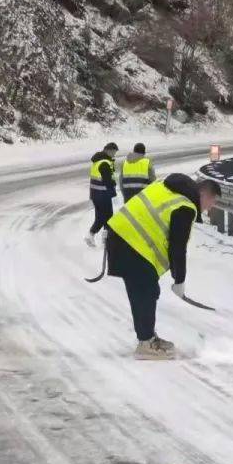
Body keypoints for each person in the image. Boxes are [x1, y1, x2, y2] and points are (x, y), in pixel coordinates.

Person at [104, 175, 221, 359]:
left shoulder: (168, 188)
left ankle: (147, 338)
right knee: (146, 290)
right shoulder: (185, 206)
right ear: (203, 194)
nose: (210, 208)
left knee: (142, 290)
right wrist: (179, 279)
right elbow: (178, 246)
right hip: (132, 243)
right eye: (212, 202)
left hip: (120, 235)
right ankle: (146, 344)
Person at [85, 142, 120, 247]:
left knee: (100, 217)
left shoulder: (97, 161)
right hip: (103, 194)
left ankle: (91, 235)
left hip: (95, 194)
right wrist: (113, 190)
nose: (114, 154)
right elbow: (107, 181)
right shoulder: (104, 163)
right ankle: (106, 239)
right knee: (109, 217)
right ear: (108, 150)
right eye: (114, 152)